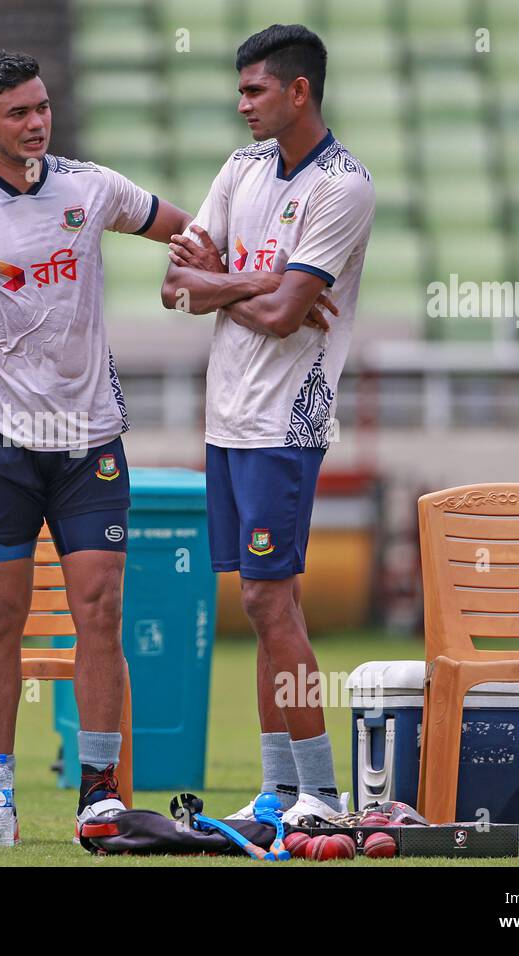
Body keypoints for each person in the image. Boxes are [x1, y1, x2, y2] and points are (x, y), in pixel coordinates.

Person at [0, 49, 192, 843]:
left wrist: (216, 284)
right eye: (19, 112)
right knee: (1, 624)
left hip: (90, 444)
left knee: (100, 611)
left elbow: (187, 232)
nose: (37, 122)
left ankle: (99, 795)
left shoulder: (92, 189)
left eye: (42, 107)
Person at [161, 24, 375, 823]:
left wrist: (220, 281)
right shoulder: (241, 167)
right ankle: (278, 789)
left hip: (286, 421)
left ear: (298, 91)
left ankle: (320, 790)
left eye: (254, 89)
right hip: (226, 418)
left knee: (269, 600)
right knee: (262, 604)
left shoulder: (343, 187)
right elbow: (173, 289)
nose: (241, 102)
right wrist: (246, 278)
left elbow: (289, 317)